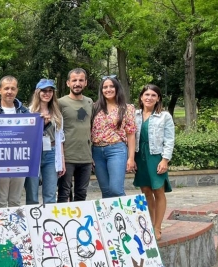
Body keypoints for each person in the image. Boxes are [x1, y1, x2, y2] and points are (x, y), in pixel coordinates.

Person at [133, 84, 174, 240]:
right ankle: (150, 223)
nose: (149, 98)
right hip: (140, 157)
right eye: (146, 95)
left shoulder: (164, 116)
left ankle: (157, 227)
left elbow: (169, 140)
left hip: (156, 156)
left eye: (153, 95)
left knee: (158, 191)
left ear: (158, 99)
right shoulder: (135, 115)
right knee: (146, 192)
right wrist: (131, 157)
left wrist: (165, 160)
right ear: (141, 97)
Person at [0, 75, 28, 208]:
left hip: (19, 160)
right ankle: (0, 228)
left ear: (17, 91)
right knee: (0, 201)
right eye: (6, 88)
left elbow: (33, 135)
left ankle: (15, 228)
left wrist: (44, 123)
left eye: (12, 88)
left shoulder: (25, 112)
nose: (9, 91)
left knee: (15, 201)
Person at [91, 75, 136, 198]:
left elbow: (131, 134)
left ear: (117, 88)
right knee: (106, 192)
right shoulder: (94, 107)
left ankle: (127, 216)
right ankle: (110, 218)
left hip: (116, 149)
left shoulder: (127, 108)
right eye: (105, 87)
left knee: (116, 189)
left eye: (111, 86)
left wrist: (131, 158)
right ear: (101, 90)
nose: (108, 89)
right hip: (97, 151)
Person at [24, 79, 66, 204]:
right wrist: (41, 124)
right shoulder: (29, 111)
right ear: (38, 92)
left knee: (51, 193)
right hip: (34, 154)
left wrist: (62, 160)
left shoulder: (57, 112)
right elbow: (26, 136)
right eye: (44, 90)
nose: (47, 93)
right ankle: (34, 221)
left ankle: (49, 221)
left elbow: (60, 138)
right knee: (32, 193)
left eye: (50, 91)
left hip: (52, 152)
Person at [58, 68, 93, 203]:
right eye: (74, 80)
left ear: (85, 83)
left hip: (85, 157)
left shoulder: (90, 102)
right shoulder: (60, 103)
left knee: (81, 193)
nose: (77, 83)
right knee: (64, 193)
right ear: (68, 83)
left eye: (80, 80)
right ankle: (62, 222)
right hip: (67, 156)